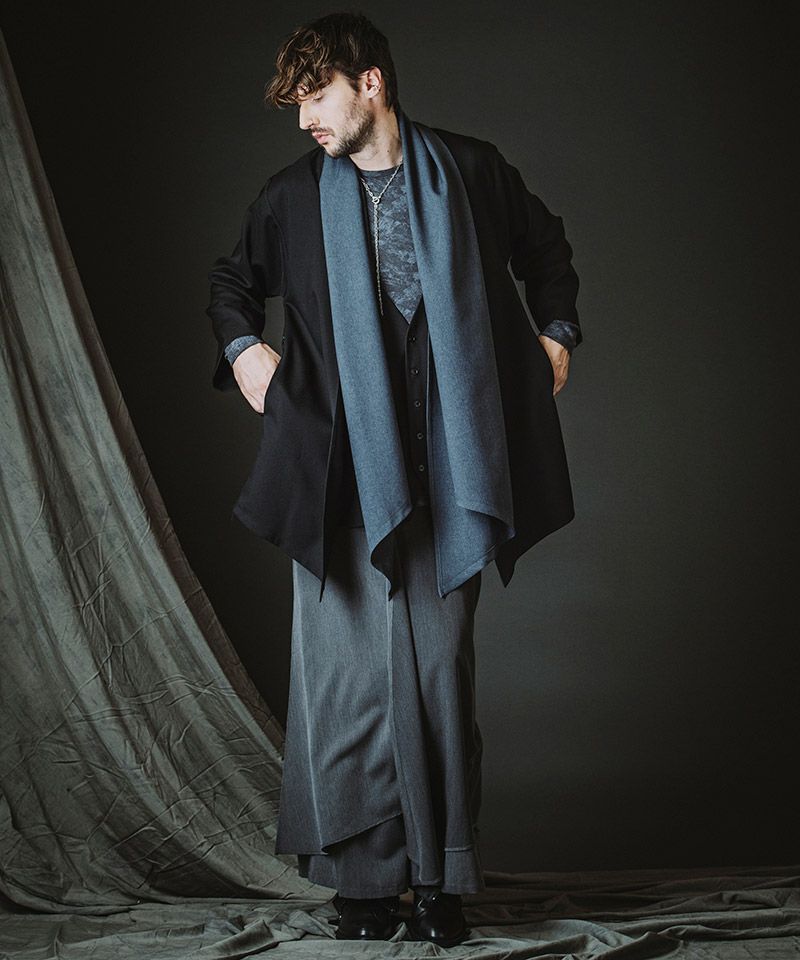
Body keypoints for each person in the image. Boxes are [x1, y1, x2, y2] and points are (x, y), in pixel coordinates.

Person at [206, 11, 582, 947]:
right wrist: (247, 351)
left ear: (369, 83)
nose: (305, 120)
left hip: (452, 468)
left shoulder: (473, 171)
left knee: (439, 678)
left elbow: (547, 251)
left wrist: (556, 334)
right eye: (297, 105)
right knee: (345, 688)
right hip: (336, 474)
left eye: (316, 97)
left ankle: (439, 881)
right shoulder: (293, 196)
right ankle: (363, 890)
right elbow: (230, 284)